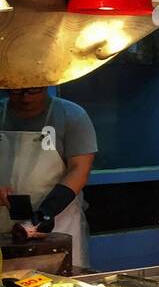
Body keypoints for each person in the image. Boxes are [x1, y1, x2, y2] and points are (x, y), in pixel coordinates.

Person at [0, 86, 96, 268]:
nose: (25, 98)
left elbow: (79, 170)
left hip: (58, 224)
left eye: (33, 91)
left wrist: (47, 211)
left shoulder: (72, 116)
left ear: (45, 85)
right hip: (4, 224)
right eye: (16, 92)